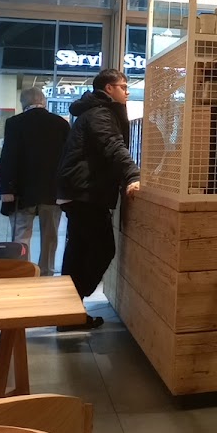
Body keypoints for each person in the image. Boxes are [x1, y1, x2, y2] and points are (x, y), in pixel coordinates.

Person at [56, 67, 140, 328]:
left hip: (79, 191)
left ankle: (68, 313)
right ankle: (70, 307)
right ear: (109, 89)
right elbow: (113, 146)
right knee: (102, 249)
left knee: (78, 252)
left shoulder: (92, 112)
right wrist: (133, 175)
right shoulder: (101, 114)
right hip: (86, 193)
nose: (127, 92)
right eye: (123, 87)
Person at [0, 87, 70, 276]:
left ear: (23, 103)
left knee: (21, 236)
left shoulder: (15, 123)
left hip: (22, 192)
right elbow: (68, 158)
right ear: (43, 101)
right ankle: (47, 272)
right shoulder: (60, 124)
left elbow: (8, 156)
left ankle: (24, 273)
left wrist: (7, 188)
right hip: (52, 190)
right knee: (50, 237)